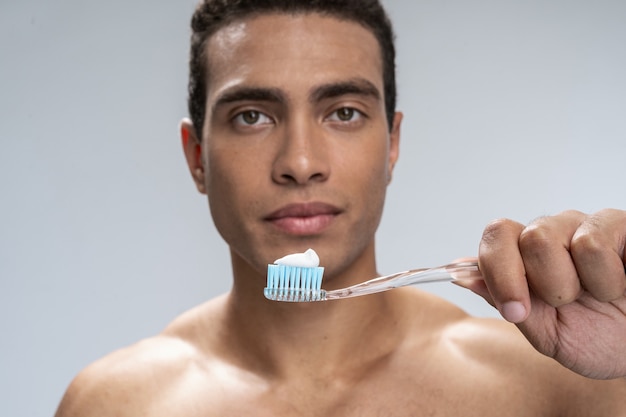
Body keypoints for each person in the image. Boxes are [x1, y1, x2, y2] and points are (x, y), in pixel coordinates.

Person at [55, 0, 626, 415]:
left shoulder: (553, 386)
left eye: (344, 112)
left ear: (392, 144)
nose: (301, 162)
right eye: (252, 115)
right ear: (197, 156)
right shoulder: (113, 404)